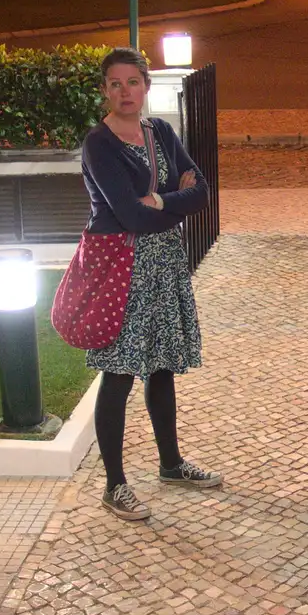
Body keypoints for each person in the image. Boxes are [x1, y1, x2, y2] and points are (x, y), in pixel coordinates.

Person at [81, 47, 220, 521]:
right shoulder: (99, 144)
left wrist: (160, 200)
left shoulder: (160, 130)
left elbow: (201, 192)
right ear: (104, 90)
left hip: (163, 262)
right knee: (119, 372)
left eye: (133, 82)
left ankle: (170, 464)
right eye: (115, 84)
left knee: (161, 365)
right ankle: (114, 485)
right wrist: (169, 202)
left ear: (146, 86)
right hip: (122, 266)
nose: (125, 92)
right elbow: (127, 214)